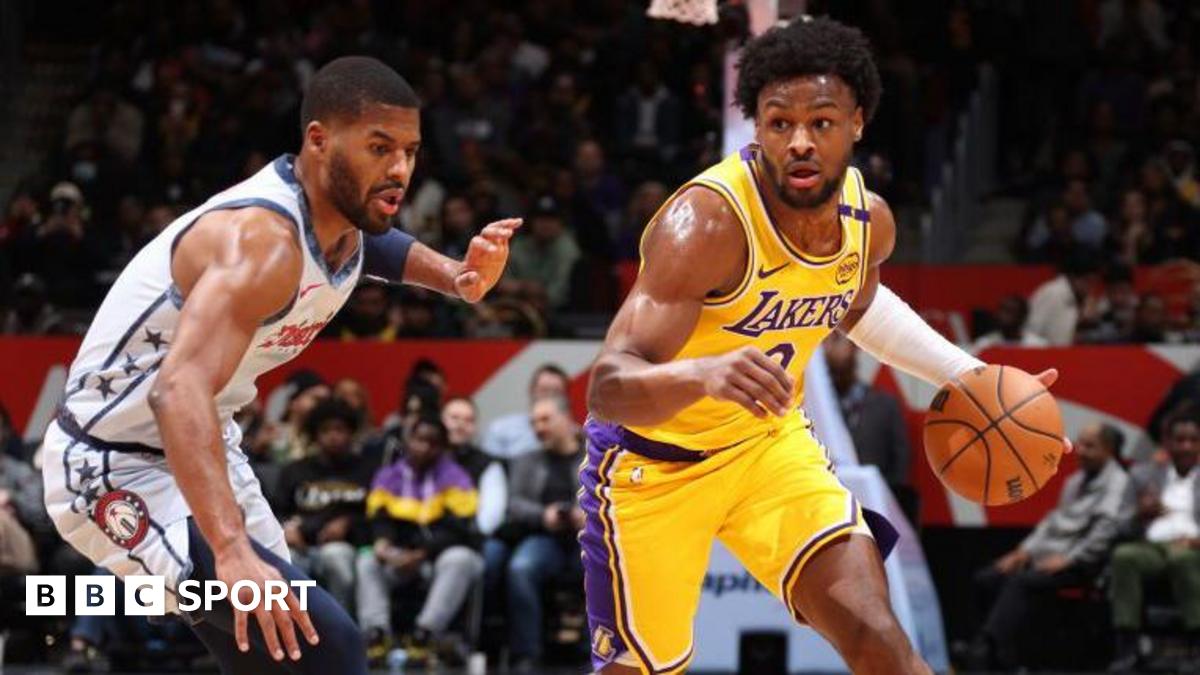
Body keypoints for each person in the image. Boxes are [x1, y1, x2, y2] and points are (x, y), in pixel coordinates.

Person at [584, 17, 1070, 674]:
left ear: (858, 122)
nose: (800, 142)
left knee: (881, 640)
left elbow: (859, 306)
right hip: (653, 467)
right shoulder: (706, 224)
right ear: (755, 126)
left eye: (821, 122)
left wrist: (973, 376)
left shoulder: (868, 222)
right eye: (779, 123)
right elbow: (609, 387)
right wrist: (702, 373)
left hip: (766, 450)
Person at [41, 56, 519, 674]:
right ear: (318, 140)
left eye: (410, 150)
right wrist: (232, 546)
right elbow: (177, 390)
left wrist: (459, 278)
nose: (399, 169)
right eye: (379, 148)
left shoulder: (338, 219)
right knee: (327, 645)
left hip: (203, 449)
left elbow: (379, 247)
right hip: (112, 466)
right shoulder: (263, 244)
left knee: (270, 656)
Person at [968, 423, 1130, 669]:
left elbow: (1104, 532)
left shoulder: (1119, 483)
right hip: (1048, 556)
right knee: (988, 578)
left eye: (1090, 446)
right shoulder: (1074, 481)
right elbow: (1051, 523)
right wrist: (1023, 551)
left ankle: (987, 648)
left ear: (1108, 450)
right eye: (1080, 443)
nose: (1080, 451)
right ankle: (1001, 653)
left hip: (1082, 564)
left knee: (1021, 583)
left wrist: (1072, 559)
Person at [356, 416, 482, 666]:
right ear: (407, 440)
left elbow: (459, 529)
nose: (424, 447)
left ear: (442, 447)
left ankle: (425, 635)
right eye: (418, 439)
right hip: (398, 558)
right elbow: (379, 519)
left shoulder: (456, 478)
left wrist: (421, 553)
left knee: (460, 558)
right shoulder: (388, 475)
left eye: (432, 442)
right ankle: (376, 635)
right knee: (367, 559)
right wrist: (383, 545)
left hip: (435, 561)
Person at [486, 395, 585, 671]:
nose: (538, 427)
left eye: (545, 419)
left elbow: (613, 493)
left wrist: (586, 514)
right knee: (521, 568)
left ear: (566, 418)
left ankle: (595, 653)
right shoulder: (526, 459)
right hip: (544, 536)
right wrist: (544, 516)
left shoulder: (594, 454)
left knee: (608, 567)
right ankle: (526, 654)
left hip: (586, 538)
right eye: (534, 422)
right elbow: (515, 504)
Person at [1109, 409, 1200, 672]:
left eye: (1193, 440)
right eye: (1179, 440)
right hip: (1152, 547)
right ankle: (1127, 646)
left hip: (1191, 547)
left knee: (1182, 559)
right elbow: (1119, 525)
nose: (1186, 446)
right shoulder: (1143, 475)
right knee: (1124, 555)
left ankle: (1195, 645)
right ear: (1168, 443)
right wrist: (1141, 514)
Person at [277, 397, 376, 614]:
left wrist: (349, 523)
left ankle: (341, 629)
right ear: (315, 434)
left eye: (339, 429)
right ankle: (297, 632)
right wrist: (285, 529)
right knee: (288, 560)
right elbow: (276, 510)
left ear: (351, 432)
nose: (333, 436)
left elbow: (377, 517)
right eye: (326, 430)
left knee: (336, 557)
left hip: (348, 547)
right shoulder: (295, 471)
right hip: (301, 545)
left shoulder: (368, 470)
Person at [480, 363, 571, 459]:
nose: (548, 397)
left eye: (556, 393)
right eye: (544, 390)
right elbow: (490, 470)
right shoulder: (500, 430)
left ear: (565, 397)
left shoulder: (577, 437)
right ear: (531, 390)